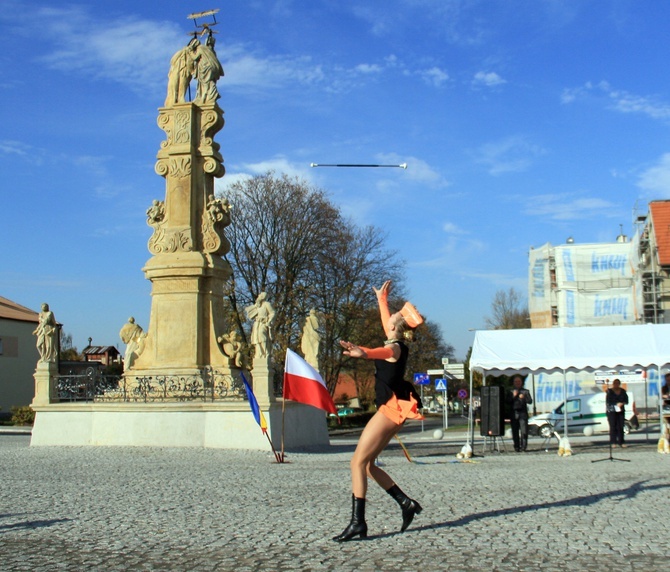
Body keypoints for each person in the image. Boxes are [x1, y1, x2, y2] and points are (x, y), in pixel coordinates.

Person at [334, 280, 424, 542]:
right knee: (369, 465)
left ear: (396, 327)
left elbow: (380, 351)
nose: (389, 320)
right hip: (395, 407)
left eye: (393, 317)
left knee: (357, 462)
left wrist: (363, 353)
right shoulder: (396, 339)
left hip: (391, 408)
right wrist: (381, 299)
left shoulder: (394, 348)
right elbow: (388, 327)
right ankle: (406, 503)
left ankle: (357, 523)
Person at [244, 292, 275, 359]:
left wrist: (269, 321)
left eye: (260, 295)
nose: (258, 296)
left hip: (263, 323)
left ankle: (265, 353)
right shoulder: (257, 305)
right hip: (257, 323)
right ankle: (259, 354)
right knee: (256, 338)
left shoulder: (267, 304)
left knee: (262, 336)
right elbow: (250, 314)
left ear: (263, 296)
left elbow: (272, 313)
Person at [508, 375, 532, 452]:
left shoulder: (525, 391)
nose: (517, 383)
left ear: (521, 383)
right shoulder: (511, 391)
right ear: (514, 383)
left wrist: (524, 397)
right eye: (516, 382)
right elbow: (507, 401)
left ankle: (524, 446)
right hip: (514, 413)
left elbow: (530, 401)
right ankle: (516, 446)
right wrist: (514, 396)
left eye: (519, 382)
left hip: (522, 413)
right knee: (515, 431)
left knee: (524, 431)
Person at [606, 378, 629, 447]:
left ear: (619, 384)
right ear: (613, 384)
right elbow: (608, 402)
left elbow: (626, 400)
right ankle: (613, 442)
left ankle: (621, 442)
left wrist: (622, 403)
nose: (616, 385)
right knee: (613, 426)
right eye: (615, 383)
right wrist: (616, 403)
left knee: (620, 426)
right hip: (612, 411)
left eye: (617, 383)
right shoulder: (609, 391)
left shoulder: (622, 391)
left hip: (620, 411)